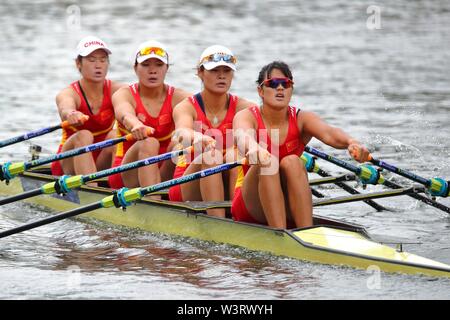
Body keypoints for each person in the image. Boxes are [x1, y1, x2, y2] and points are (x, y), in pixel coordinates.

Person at [232, 61, 370, 229]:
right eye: (273, 83)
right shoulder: (246, 116)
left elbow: (329, 132)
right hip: (251, 207)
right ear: (260, 90)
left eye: (286, 83)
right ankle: (280, 234)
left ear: (291, 89)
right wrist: (254, 148)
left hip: (286, 203)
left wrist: (352, 143)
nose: (280, 88)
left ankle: (307, 233)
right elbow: (242, 136)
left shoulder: (301, 118)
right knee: (268, 161)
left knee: (293, 161)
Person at [168, 45, 255, 217]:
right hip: (187, 185)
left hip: (226, 178)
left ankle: (238, 217)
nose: (221, 75)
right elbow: (181, 132)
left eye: (227, 70)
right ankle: (220, 222)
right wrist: (196, 136)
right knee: (211, 155)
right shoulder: (186, 107)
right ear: (200, 73)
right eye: (215, 70)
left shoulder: (245, 108)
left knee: (233, 156)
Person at [108, 40, 191, 195]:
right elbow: (125, 113)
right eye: (146, 65)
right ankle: (156, 202)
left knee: (180, 145)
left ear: (167, 68)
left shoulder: (179, 97)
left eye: (159, 65)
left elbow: (204, 109)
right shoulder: (124, 94)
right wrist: (134, 125)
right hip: (126, 173)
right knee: (149, 142)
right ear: (135, 68)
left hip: (163, 169)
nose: (152, 71)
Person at [51, 36, 123, 177]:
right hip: (67, 164)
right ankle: (91, 189)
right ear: (78, 63)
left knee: (115, 135)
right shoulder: (69, 93)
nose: (98, 65)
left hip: (100, 161)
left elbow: (138, 98)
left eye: (103, 60)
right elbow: (65, 106)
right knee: (84, 135)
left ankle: (116, 187)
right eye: (91, 60)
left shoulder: (118, 90)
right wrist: (71, 113)